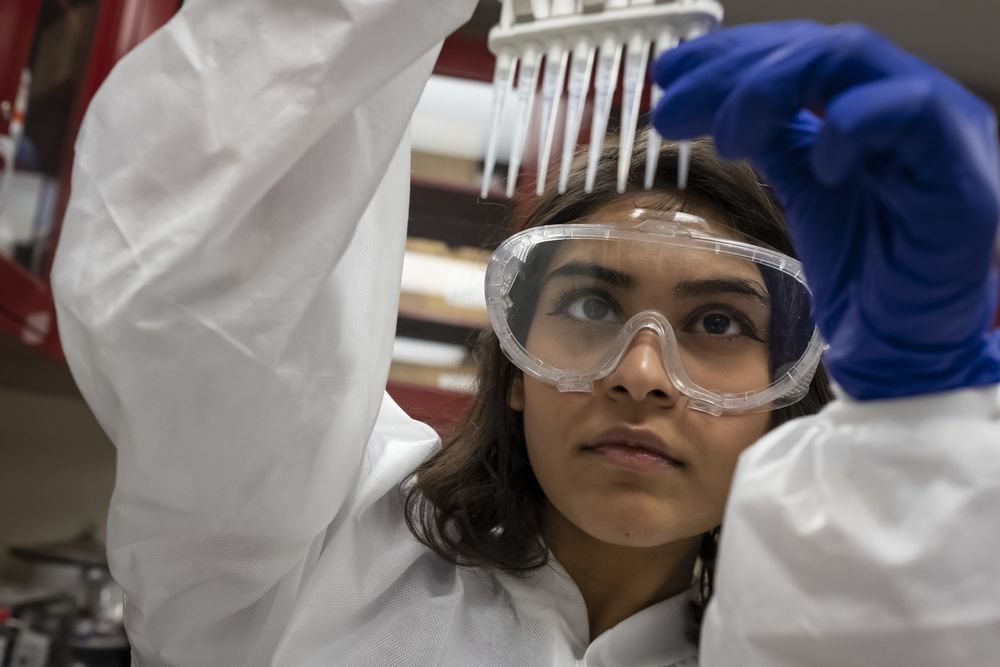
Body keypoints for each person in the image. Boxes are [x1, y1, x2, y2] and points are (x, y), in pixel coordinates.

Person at [49, 1, 999, 666]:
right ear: (512, 369)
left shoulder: (817, 633)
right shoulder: (311, 549)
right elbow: (191, 296)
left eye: (717, 321)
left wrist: (917, 435)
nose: (641, 375)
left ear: (780, 391)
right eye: (591, 305)